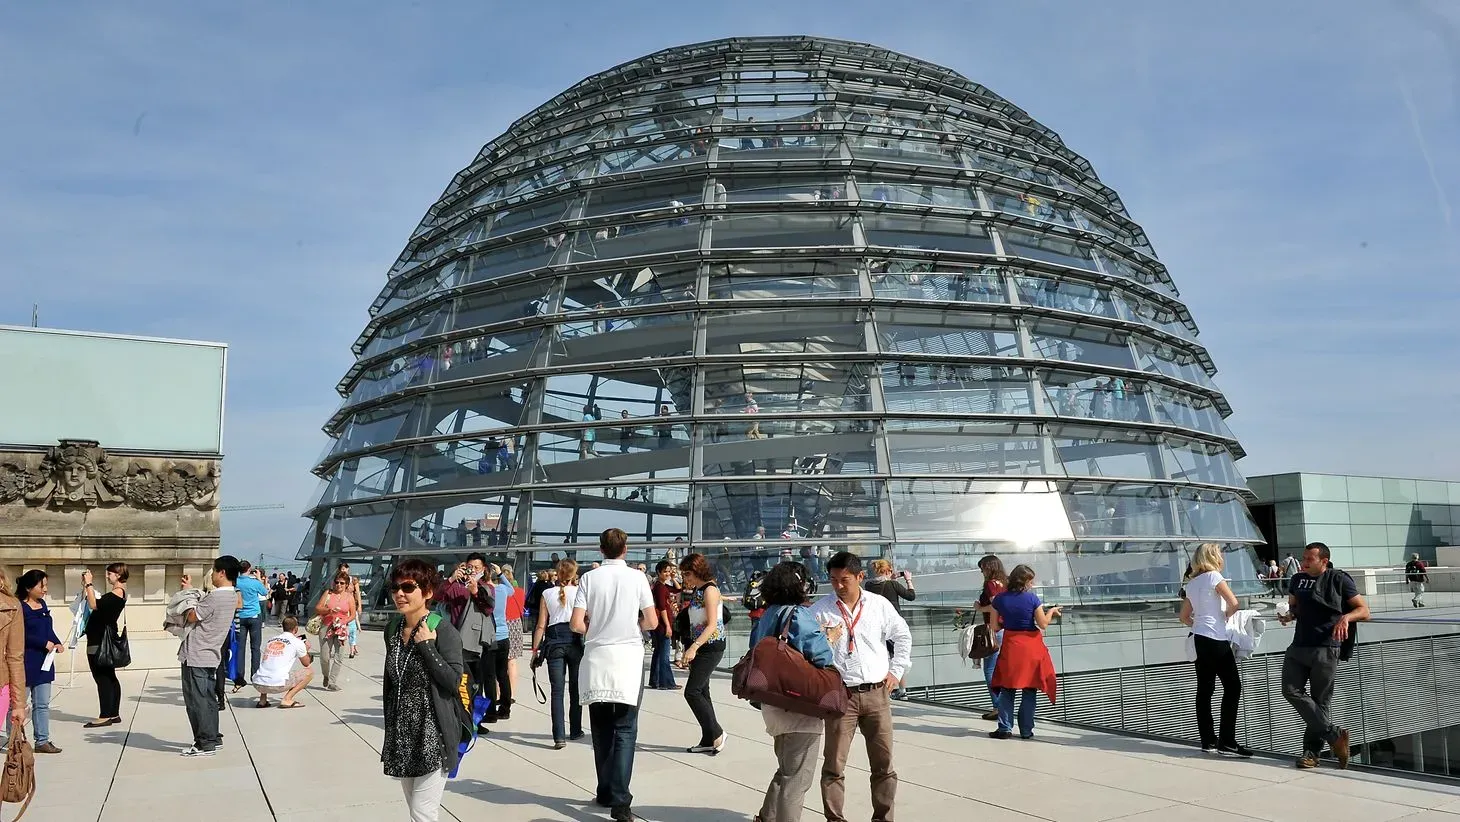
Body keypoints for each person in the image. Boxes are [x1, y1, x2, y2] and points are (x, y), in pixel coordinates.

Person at [810, 551, 912, 822]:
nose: (838, 586)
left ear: (860, 577)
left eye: (844, 580)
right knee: (834, 765)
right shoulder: (820, 610)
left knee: (883, 765)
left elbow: (902, 635)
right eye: (833, 580)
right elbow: (805, 648)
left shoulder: (878, 605)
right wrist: (825, 641)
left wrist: (896, 671)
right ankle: (835, 818)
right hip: (839, 694)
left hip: (877, 693)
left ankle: (883, 818)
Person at [571, 528, 658, 822]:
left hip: (597, 656)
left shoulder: (589, 578)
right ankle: (621, 802)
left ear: (601, 549)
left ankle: (605, 790)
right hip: (628, 657)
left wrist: (595, 629)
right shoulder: (637, 578)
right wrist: (632, 626)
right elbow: (652, 621)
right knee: (625, 729)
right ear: (625, 549)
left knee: (601, 730)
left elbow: (576, 624)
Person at [382, 559, 466, 822]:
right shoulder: (393, 629)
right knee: (415, 809)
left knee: (422, 812)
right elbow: (392, 681)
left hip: (433, 732)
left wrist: (428, 648)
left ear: (428, 592)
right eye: (395, 588)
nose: (399, 594)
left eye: (408, 587)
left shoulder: (443, 630)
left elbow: (453, 682)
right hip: (403, 732)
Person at [750, 562, 834, 822]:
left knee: (786, 769)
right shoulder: (798, 614)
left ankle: (767, 817)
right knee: (797, 779)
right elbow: (822, 655)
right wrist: (830, 637)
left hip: (772, 701)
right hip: (798, 703)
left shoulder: (768, 614)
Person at [1277, 542, 1369, 769]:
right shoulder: (1297, 579)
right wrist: (1288, 616)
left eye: (1310, 559)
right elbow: (1294, 608)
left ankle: (1311, 754)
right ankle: (1333, 734)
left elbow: (1364, 610)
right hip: (1299, 645)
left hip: (1326, 647)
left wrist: (1346, 618)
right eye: (1303, 558)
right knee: (1290, 690)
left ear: (1324, 561)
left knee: (1320, 701)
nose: (1304, 563)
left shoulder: (1339, 579)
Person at [1179, 543, 1252, 756]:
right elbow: (1234, 603)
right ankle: (1227, 740)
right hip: (1216, 638)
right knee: (1233, 687)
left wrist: (1199, 624)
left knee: (1205, 689)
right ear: (1213, 557)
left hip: (1199, 638)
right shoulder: (1214, 577)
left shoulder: (1192, 583)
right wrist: (1225, 617)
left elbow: (1183, 616)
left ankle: (1208, 740)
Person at [178, 555, 242, 756]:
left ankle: (204, 743)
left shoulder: (215, 597)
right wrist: (190, 589)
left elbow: (192, 616)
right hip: (211, 653)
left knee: (196, 701)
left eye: (214, 571)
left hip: (197, 653)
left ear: (222, 573)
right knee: (208, 699)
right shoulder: (232, 596)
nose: (212, 575)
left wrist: (186, 595)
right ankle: (213, 737)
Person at [987, 564, 1059, 741]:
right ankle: (1026, 731)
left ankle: (1005, 728)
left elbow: (994, 626)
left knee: (1007, 688)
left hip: (1011, 646)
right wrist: (1051, 612)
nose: (1032, 584)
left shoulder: (999, 599)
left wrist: (1009, 622)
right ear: (1024, 581)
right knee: (1029, 689)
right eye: (1030, 581)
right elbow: (1043, 624)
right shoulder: (1032, 599)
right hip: (1031, 647)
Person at [437, 554, 496, 730]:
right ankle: (461, 718)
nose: (473, 571)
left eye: (477, 568)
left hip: (478, 643)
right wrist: (451, 578)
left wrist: (475, 592)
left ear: (484, 569)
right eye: (470, 567)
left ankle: (475, 720)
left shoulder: (486, 588)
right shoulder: (456, 587)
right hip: (458, 640)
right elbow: (437, 596)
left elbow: (488, 608)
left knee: (477, 683)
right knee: (461, 682)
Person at [677, 553, 727, 754]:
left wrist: (694, 647)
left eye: (687, 573)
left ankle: (717, 732)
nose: (685, 578)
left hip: (711, 646)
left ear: (697, 571)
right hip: (700, 645)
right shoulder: (698, 590)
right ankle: (709, 738)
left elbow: (712, 624)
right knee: (703, 691)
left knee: (692, 691)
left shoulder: (710, 589)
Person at [533, 558, 584, 748]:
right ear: (574, 574)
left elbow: (541, 625)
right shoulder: (579, 592)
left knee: (557, 691)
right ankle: (576, 729)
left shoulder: (547, 593)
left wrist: (535, 650)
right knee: (575, 689)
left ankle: (559, 736)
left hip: (554, 641)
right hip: (575, 640)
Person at [17, 570, 61, 753]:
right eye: (41, 585)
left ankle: (42, 740)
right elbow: (20, 635)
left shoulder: (42, 604)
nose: (45, 589)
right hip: (27, 663)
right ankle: (15, 742)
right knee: (18, 705)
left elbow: (48, 628)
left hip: (45, 663)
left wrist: (56, 642)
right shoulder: (20, 608)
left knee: (42, 704)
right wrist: (43, 643)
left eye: (46, 585)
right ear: (28, 588)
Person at [83, 563, 128, 727]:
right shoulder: (118, 594)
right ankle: (113, 713)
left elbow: (94, 604)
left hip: (100, 641)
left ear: (118, 575)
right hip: (101, 639)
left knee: (102, 677)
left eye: (110, 574)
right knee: (109, 677)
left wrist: (89, 583)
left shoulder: (117, 593)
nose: (107, 576)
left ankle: (105, 715)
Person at [864, 559, 916, 699]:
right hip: (893, 626)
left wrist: (890, 578)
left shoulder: (868, 585)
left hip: (875, 625)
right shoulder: (893, 584)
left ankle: (882, 690)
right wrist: (908, 580)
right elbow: (911, 596)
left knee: (880, 656)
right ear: (887, 571)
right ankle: (902, 690)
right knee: (897, 657)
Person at [252, 616, 313, 708]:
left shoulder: (271, 640)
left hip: (258, 683)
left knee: (270, 664)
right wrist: (306, 650)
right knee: (309, 672)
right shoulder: (297, 642)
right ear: (296, 629)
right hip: (277, 685)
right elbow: (306, 663)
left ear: (283, 627)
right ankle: (287, 699)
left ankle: (262, 700)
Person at [975, 555, 1007, 722]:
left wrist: (980, 608)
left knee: (989, 670)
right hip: (1005, 628)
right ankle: (1002, 706)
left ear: (989, 567)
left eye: (983, 568)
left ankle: (998, 707)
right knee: (999, 669)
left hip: (993, 630)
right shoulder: (1005, 583)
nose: (982, 572)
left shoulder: (991, 584)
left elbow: (996, 605)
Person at [314, 570, 357, 691]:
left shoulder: (349, 597)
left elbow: (353, 614)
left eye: (342, 583)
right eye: (337, 582)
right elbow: (318, 608)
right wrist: (329, 611)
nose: (339, 585)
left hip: (341, 628)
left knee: (339, 655)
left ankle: (332, 681)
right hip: (327, 626)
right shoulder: (328, 593)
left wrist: (344, 622)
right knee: (324, 656)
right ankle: (326, 675)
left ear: (346, 585)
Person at [233, 561, 270, 691]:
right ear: (249, 569)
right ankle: (255, 675)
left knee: (240, 648)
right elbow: (264, 592)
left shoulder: (235, 582)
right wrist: (259, 578)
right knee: (255, 647)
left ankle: (239, 676)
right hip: (254, 615)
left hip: (240, 616)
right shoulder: (254, 582)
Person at [485, 565, 515, 721]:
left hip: (490, 636)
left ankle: (490, 712)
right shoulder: (502, 589)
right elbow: (512, 590)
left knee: (489, 676)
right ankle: (505, 708)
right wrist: (500, 573)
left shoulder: (484, 591)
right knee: (503, 674)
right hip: (504, 635)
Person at [648, 560, 678, 690]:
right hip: (662, 625)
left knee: (659, 652)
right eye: (665, 571)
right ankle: (666, 682)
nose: (667, 574)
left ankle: (655, 680)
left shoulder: (662, 586)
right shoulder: (660, 588)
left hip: (660, 625)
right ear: (659, 572)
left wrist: (673, 578)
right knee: (664, 654)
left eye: (669, 571)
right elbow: (662, 608)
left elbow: (678, 589)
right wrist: (667, 625)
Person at [341, 561, 364, 658]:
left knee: (352, 626)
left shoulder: (353, 580)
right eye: (341, 569)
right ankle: (353, 647)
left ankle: (353, 646)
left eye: (344, 568)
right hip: (342, 605)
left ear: (348, 569)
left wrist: (359, 606)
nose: (343, 570)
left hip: (352, 605)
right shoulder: (338, 580)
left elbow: (358, 593)